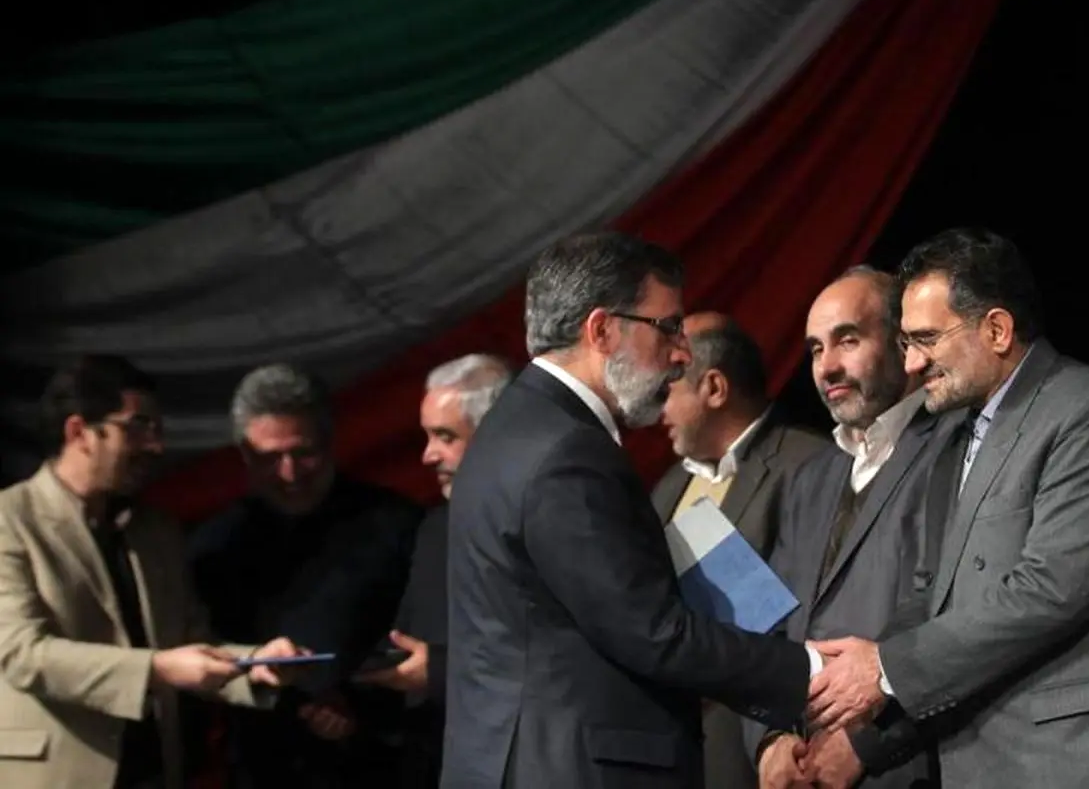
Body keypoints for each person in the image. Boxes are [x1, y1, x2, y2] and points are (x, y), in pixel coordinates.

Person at [806, 229, 1089, 787]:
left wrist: (884, 668)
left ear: (997, 330)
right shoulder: (951, 437)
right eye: (906, 342)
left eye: (925, 339)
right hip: (977, 764)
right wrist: (858, 679)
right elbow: (933, 595)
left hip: (1080, 761)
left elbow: (1051, 591)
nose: (911, 363)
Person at [442, 231, 818, 788]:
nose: (682, 353)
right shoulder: (567, 450)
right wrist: (813, 669)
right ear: (601, 330)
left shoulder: (519, 426)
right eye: (667, 327)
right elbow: (652, 632)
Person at [0, 354, 297, 789]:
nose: (156, 446)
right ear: (79, 432)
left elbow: (191, 644)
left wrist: (255, 664)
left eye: (158, 429)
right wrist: (158, 668)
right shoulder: (8, 520)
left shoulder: (157, 530)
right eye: (138, 427)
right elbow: (21, 654)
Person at [751, 266, 956, 789]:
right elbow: (772, 620)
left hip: (912, 767)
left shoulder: (956, 448)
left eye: (847, 340)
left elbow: (958, 623)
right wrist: (771, 738)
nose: (828, 367)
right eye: (816, 349)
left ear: (903, 344)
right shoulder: (811, 477)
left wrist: (869, 745)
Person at [187, 363, 423, 787]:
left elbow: (427, 645)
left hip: (380, 767)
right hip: (259, 771)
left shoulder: (399, 527)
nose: (289, 474)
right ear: (243, 455)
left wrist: (358, 706)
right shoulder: (212, 546)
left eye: (303, 453)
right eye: (270, 458)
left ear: (331, 443)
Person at [653, 311, 827, 789]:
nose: (658, 408)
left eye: (669, 388)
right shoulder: (666, 486)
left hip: (759, 751)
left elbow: (813, 620)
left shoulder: (812, 465)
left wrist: (778, 736)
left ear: (714, 388)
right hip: (676, 750)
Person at [354, 353, 513, 787]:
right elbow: (408, 638)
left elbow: (561, 655)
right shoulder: (435, 529)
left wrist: (440, 670)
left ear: (495, 435)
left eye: (445, 436)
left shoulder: (542, 524)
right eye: (427, 436)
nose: (428, 456)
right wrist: (339, 675)